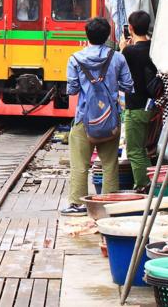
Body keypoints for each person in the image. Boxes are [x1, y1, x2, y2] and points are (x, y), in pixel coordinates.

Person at [62, 18, 134, 215]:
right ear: (106, 36)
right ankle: (109, 203)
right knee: (110, 163)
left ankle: (77, 204)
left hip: (84, 118)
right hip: (110, 119)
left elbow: (72, 89)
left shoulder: (75, 59)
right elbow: (128, 86)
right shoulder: (118, 58)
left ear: (87, 35)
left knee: (80, 164)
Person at [119, 11, 156, 192]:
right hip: (152, 106)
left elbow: (117, 70)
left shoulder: (129, 51)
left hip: (135, 107)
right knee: (143, 149)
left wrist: (121, 49)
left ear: (130, 28)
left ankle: (142, 185)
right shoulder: (154, 48)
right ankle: (151, 181)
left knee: (134, 150)